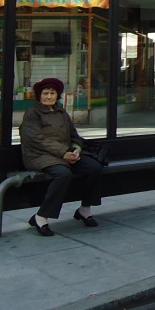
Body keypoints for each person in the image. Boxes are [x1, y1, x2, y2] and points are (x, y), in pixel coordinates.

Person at [19, 77, 104, 237]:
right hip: (39, 155)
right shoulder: (32, 113)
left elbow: (74, 135)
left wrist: (76, 149)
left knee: (95, 168)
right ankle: (41, 216)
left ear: (57, 95)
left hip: (65, 154)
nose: (49, 96)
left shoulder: (61, 112)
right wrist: (64, 153)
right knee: (63, 173)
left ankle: (85, 209)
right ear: (39, 95)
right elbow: (36, 139)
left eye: (52, 93)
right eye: (45, 93)